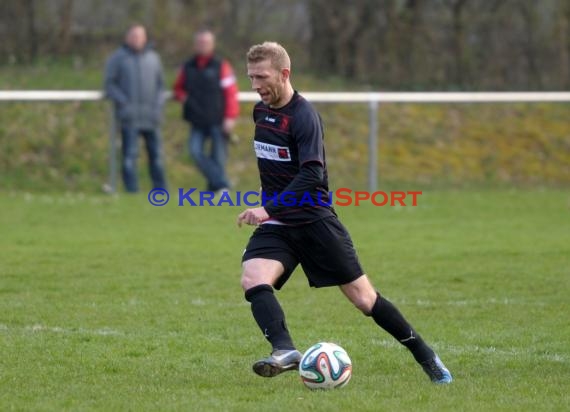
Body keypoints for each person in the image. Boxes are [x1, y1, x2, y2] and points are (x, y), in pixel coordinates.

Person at [237, 42, 453, 384]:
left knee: (364, 299)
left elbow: (313, 175)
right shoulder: (260, 112)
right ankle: (284, 350)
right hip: (279, 224)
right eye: (250, 77)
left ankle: (427, 356)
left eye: (261, 77)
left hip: (315, 222)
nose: (254, 85)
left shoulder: (304, 116)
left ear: (284, 73)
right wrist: (272, 209)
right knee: (253, 278)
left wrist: (267, 207)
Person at [173, 29, 239, 193]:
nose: (203, 45)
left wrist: (230, 117)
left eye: (206, 42)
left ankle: (214, 189)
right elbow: (178, 88)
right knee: (195, 152)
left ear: (212, 44)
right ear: (195, 45)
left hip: (218, 118)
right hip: (196, 120)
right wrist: (182, 97)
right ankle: (222, 184)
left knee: (218, 158)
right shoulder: (187, 66)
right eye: (200, 42)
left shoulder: (221, 65)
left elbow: (231, 93)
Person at [104, 24, 167, 193]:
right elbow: (109, 85)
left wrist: (157, 107)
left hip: (151, 118)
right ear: (127, 38)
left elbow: (161, 87)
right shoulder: (117, 58)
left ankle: (161, 192)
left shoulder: (154, 58)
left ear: (145, 38)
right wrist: (124, 103)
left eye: (139, 36)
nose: (136, 39)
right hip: (129, 118)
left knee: (157, 157)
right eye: (133, 36)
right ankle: (132, 192)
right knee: (129, 157)